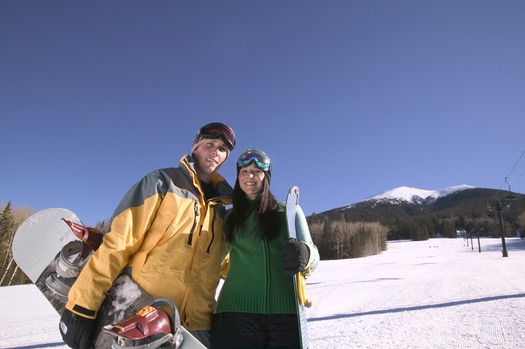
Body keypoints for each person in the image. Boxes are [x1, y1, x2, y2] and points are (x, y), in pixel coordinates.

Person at [58, 122, 236, 349]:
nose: (215, 152)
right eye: (209, 144)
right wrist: (83, 306)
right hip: (144, 312)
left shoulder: (221, 211)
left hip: (197, 328)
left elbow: (228, 265)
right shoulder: (162, 183)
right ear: (195, 147)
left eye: (222, 149)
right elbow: (118, 244)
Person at [211, 149, 319, 349]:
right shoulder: (229, 218)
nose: (249, 176)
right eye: (243, 171)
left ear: (266, 177)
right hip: (235, 314)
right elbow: (212, 260)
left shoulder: (288, 211)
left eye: (256, 171)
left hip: (286, 315)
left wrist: (306, 254)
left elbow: (313, 255)